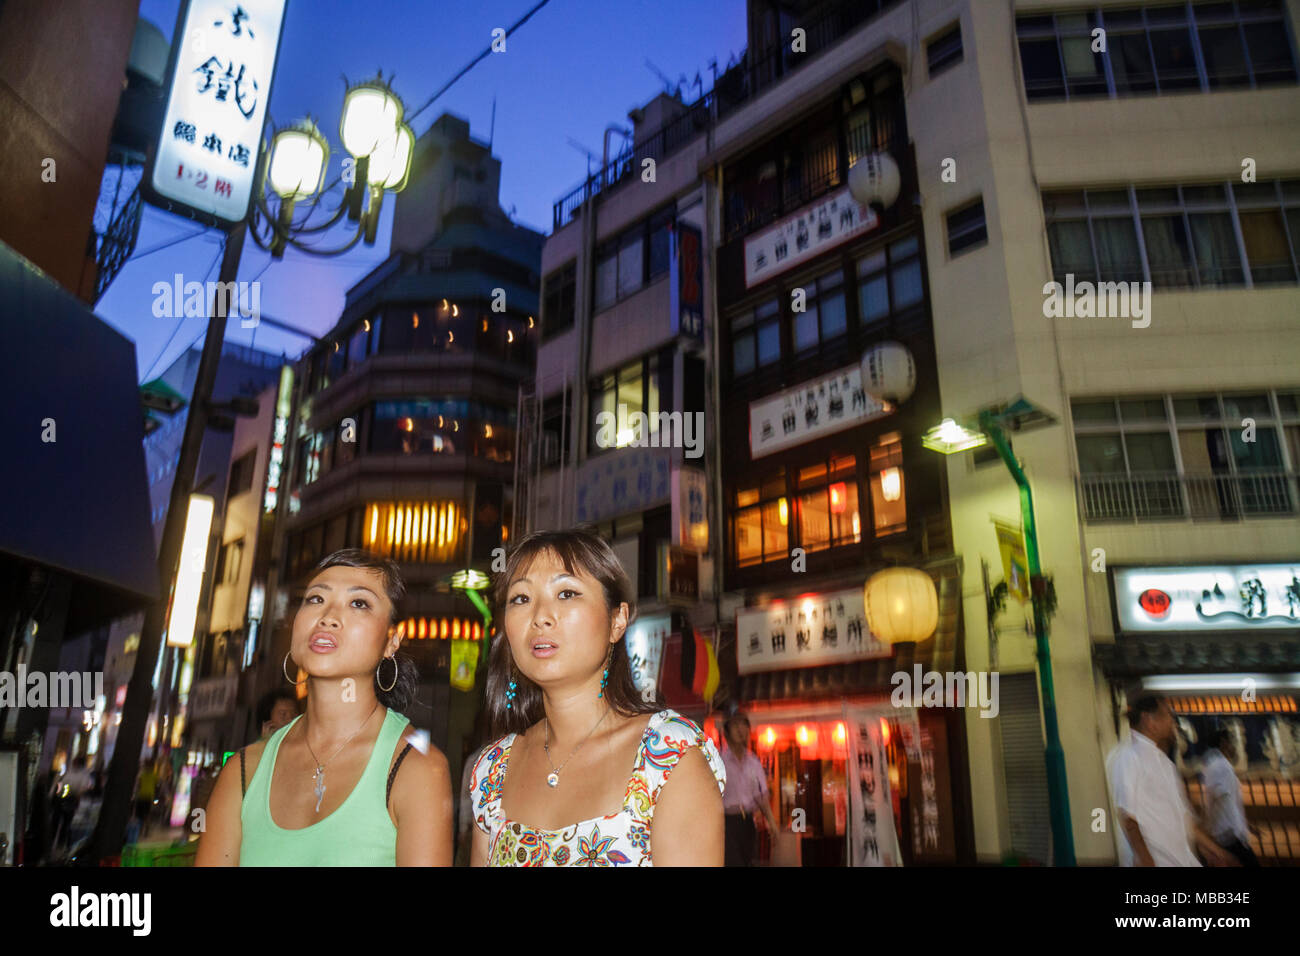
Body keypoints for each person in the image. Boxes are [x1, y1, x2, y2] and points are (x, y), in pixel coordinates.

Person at [469, 527, 726, 866]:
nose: (540, 617)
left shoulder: (667, 758)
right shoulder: (492, 771)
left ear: (617, 620)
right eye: (521, 598)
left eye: (567, 593)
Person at [196, 549, 453, 866]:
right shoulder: (243, 771)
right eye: (315, 599)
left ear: (391, 641)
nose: (328, 616)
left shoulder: (417, 769)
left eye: (359, 603)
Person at [1105, 695, 1235, 866]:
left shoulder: (1165, 763)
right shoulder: (1128, 756)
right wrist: (1144, 858)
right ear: (1148, 720)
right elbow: (1127, 815)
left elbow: (1184, 817)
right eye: (1168, 715)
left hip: (1180, 859)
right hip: (1157, 861)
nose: (1173, 722)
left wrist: (1214, 850)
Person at [721, 712, 778, 866]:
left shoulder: (753, 762)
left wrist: (771, 822)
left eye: (744, 724)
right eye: (735, 724)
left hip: (748, 823)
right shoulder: (720, 762)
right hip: (727, 823)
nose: (741, 729)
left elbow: (761, 795)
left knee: (747, 862)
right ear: (726, 732)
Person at [1200, 727, 1259, 866]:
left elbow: (1227, 801)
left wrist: (1246, 825)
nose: (1234, 747)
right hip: (1229, 833)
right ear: (1223, 743)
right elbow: (1217, 798)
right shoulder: (1220, 766)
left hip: (1229, 832)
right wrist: (1206, 828)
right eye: (1232, 742)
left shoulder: (1217, 765)